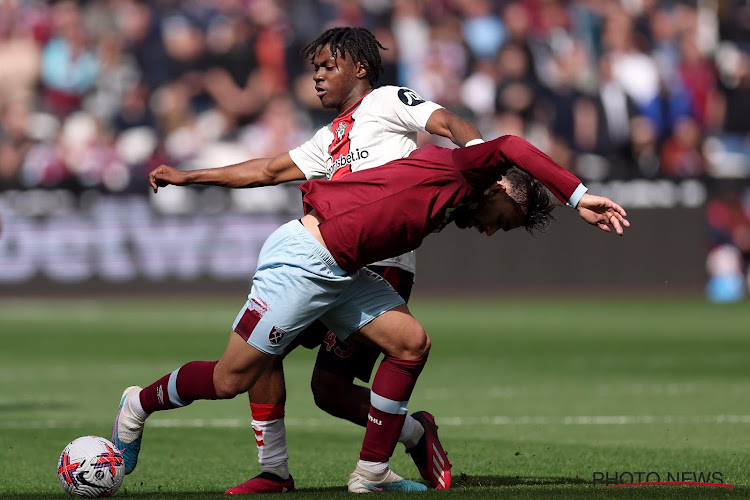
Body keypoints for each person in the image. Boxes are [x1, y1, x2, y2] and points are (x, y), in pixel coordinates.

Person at [113, 133, 629, 494]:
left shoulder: (459, 201)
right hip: (303, 261)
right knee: (230, 380)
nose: (492, 230)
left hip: (347, 272)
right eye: (505, 220)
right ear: (498, 189)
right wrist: (577, 196)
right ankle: (138, 405)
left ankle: (371, 473)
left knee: (411, 344)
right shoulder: (465, 168)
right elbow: (512, 146)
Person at [146, 26, 482, 494]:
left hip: (379, 267)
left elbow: (447, 123)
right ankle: (274, 470)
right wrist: (190, 175)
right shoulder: (328, 138)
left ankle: (410, 436)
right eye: (315, 70)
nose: (317, 79)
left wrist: (481, 162)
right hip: (323, 260)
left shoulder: (388, 102)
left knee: (330, 392)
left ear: (360, 68)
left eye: (328, 67)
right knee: (264, 352)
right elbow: (266, 170)